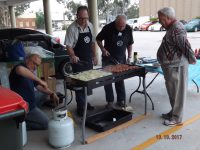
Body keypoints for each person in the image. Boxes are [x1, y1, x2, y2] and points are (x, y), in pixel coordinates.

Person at [157, 7, 196, 126]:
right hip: (170, 66)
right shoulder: (171, 28)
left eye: (161, 19)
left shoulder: (177, 28)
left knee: (177, 93)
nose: (159, 21)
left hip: (176, 66)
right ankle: (173, 112)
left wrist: (192, 59)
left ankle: (176, 118)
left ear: (169, 18)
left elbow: (185, 46)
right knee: (172, 91)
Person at [9, 50, 59, 130]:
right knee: (46, 124)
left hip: (31, 101)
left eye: (37, 65)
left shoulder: (30, 73)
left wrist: (52, 93)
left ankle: (33, 114)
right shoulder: (18, 68)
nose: (35, 67)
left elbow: (39, 86)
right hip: (23, 106)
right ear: (27, 60)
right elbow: (20, 70)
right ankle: (18, 125)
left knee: (44, 93)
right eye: (34, 63)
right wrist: (40, 80)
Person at [64, 6, 97, 116]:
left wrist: (94, 55)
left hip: (88, 59)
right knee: (79, 84)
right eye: (81, 18)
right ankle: (81, 107)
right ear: (77, 16)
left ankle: (85, 103)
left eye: (86, 18)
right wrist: (73, 55)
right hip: (77, 61)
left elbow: (92, 42)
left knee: (87, 83)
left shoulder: (90, 26)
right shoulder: (72, 28)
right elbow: (68, 45)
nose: (84, 21)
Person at [96, 15, 134, 108]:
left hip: (121, 59)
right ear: (115, 23)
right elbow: (98, 39)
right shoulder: (107, 28)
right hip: (108, 58)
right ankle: (110, 101)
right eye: (119, 26)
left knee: (120, 80)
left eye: (123, 26)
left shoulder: (128, 28)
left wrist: (129, 56)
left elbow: (130, 44)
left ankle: (121, 100)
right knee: (107, 80)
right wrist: (103, 49)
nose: (121, 28)